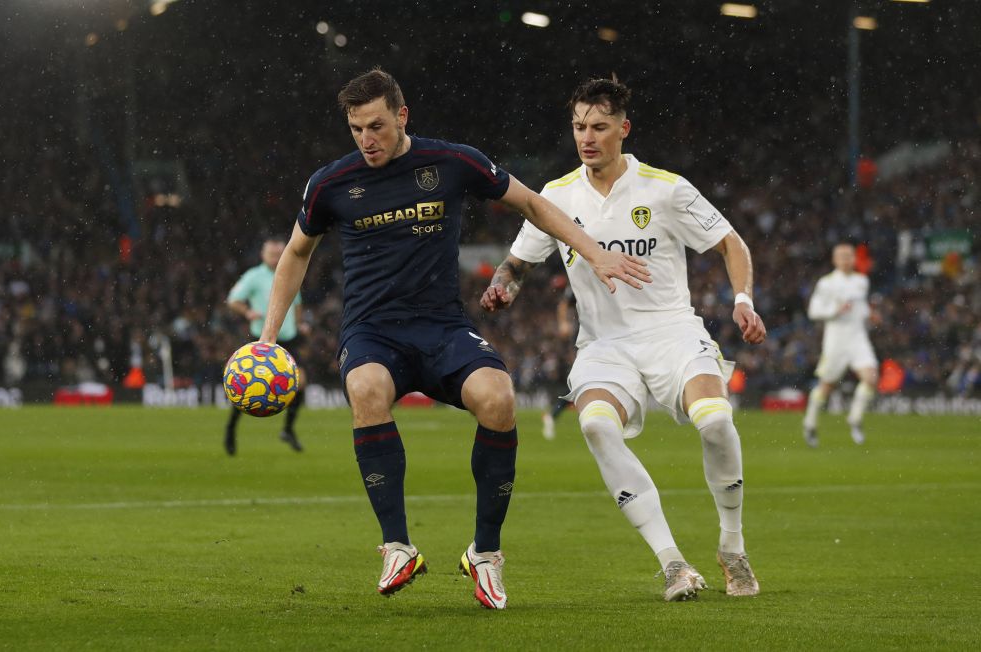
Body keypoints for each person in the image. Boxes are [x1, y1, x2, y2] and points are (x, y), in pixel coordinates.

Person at [257, 69, 649, 610]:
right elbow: (297, 252)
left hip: (442, 327)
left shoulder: (452, 162)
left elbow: (534, 205)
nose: (366, 140)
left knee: (499, 398)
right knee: (367, 389)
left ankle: (485, 555)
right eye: (355, 129)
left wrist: (595, 250)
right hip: (372, 331)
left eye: (376, 126)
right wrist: (267, 338)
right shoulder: (330, 183)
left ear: (402, 116)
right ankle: (397, 545)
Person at [481, 77, 766, 601]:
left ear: (623, 129)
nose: (586, 138)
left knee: (716, 420)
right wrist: (503, 287)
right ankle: (673, 563)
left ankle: (732, 545)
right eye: (578, 127)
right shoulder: (556, 198)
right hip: (604, 346)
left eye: (599, 127)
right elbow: (516, 265)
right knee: (595, 426)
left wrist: (742, 300)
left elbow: (731, 243)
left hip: (673, 332)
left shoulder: (665, 188)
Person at [225, 236, 306, 456]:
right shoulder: (254, 276)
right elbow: (233, 299)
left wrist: (300, 324)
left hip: (288, 339)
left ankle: (288, 430)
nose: (276, 258)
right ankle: (231, 429)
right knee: (248, 386)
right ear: (263, 254)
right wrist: (247, 312)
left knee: (301, 383)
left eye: (279, 254)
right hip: (261, 342)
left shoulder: (290, 270)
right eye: (272, 254)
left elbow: (297, 303)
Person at [802, 243, 879, 447]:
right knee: (826, 386)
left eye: (849, 255)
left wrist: (870, 315)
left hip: (858, 337)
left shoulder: (862, 281)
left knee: (870, 377)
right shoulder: (826, 283)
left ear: (854, 259)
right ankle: (810, 423)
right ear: (834, 260)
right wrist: (836, 309)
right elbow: (813, 311)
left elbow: (861, 307)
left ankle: (855, 419)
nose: (846, 259)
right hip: (836, 340)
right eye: (842, 256)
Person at [541, 286, 577, 440]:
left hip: (604, 338)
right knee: (577, 382)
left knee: (576, 384)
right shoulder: (580, 276)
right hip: (587, 338)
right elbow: (564, 303)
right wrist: (563, 323)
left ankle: (552, 414)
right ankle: (552, 414)